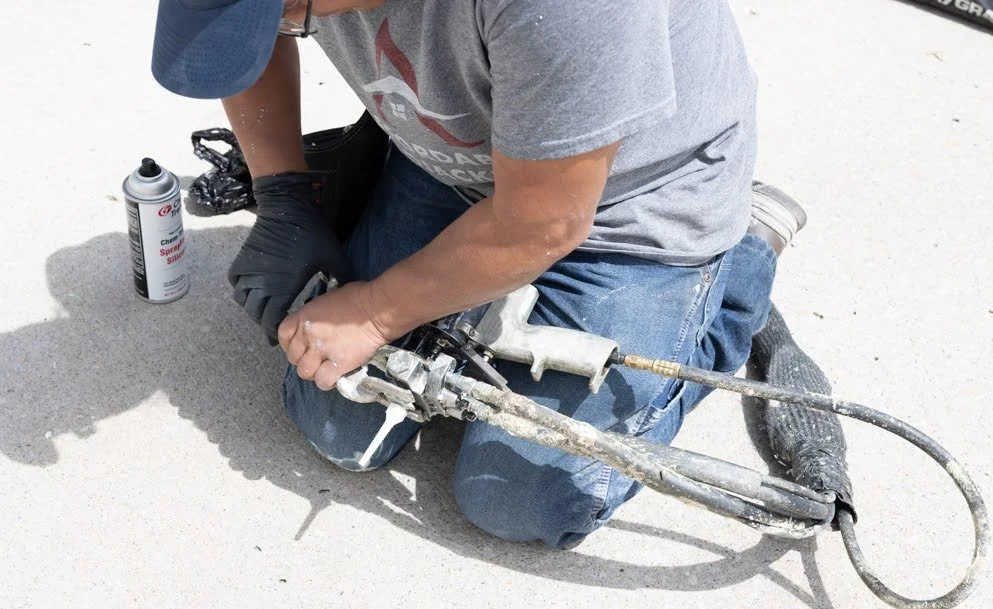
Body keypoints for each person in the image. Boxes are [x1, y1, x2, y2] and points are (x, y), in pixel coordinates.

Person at [152, 0, 807, 548]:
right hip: (455, 156)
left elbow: (543, 221)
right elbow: (240, 34)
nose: (283, 24)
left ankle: (741, 260)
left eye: (289, 13)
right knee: (337, 424)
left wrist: (376, 311)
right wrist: (283, 196)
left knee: (520, 496)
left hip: (632, 203)